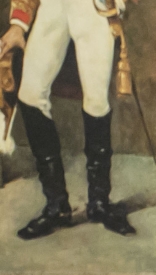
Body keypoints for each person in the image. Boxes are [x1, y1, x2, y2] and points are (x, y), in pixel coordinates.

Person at [0, 0, 135, 239]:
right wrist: (18, 25)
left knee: (96, 101)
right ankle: (56, 205)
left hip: (93, 9)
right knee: (30, 95)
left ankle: (99, 203)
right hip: (53, 7)